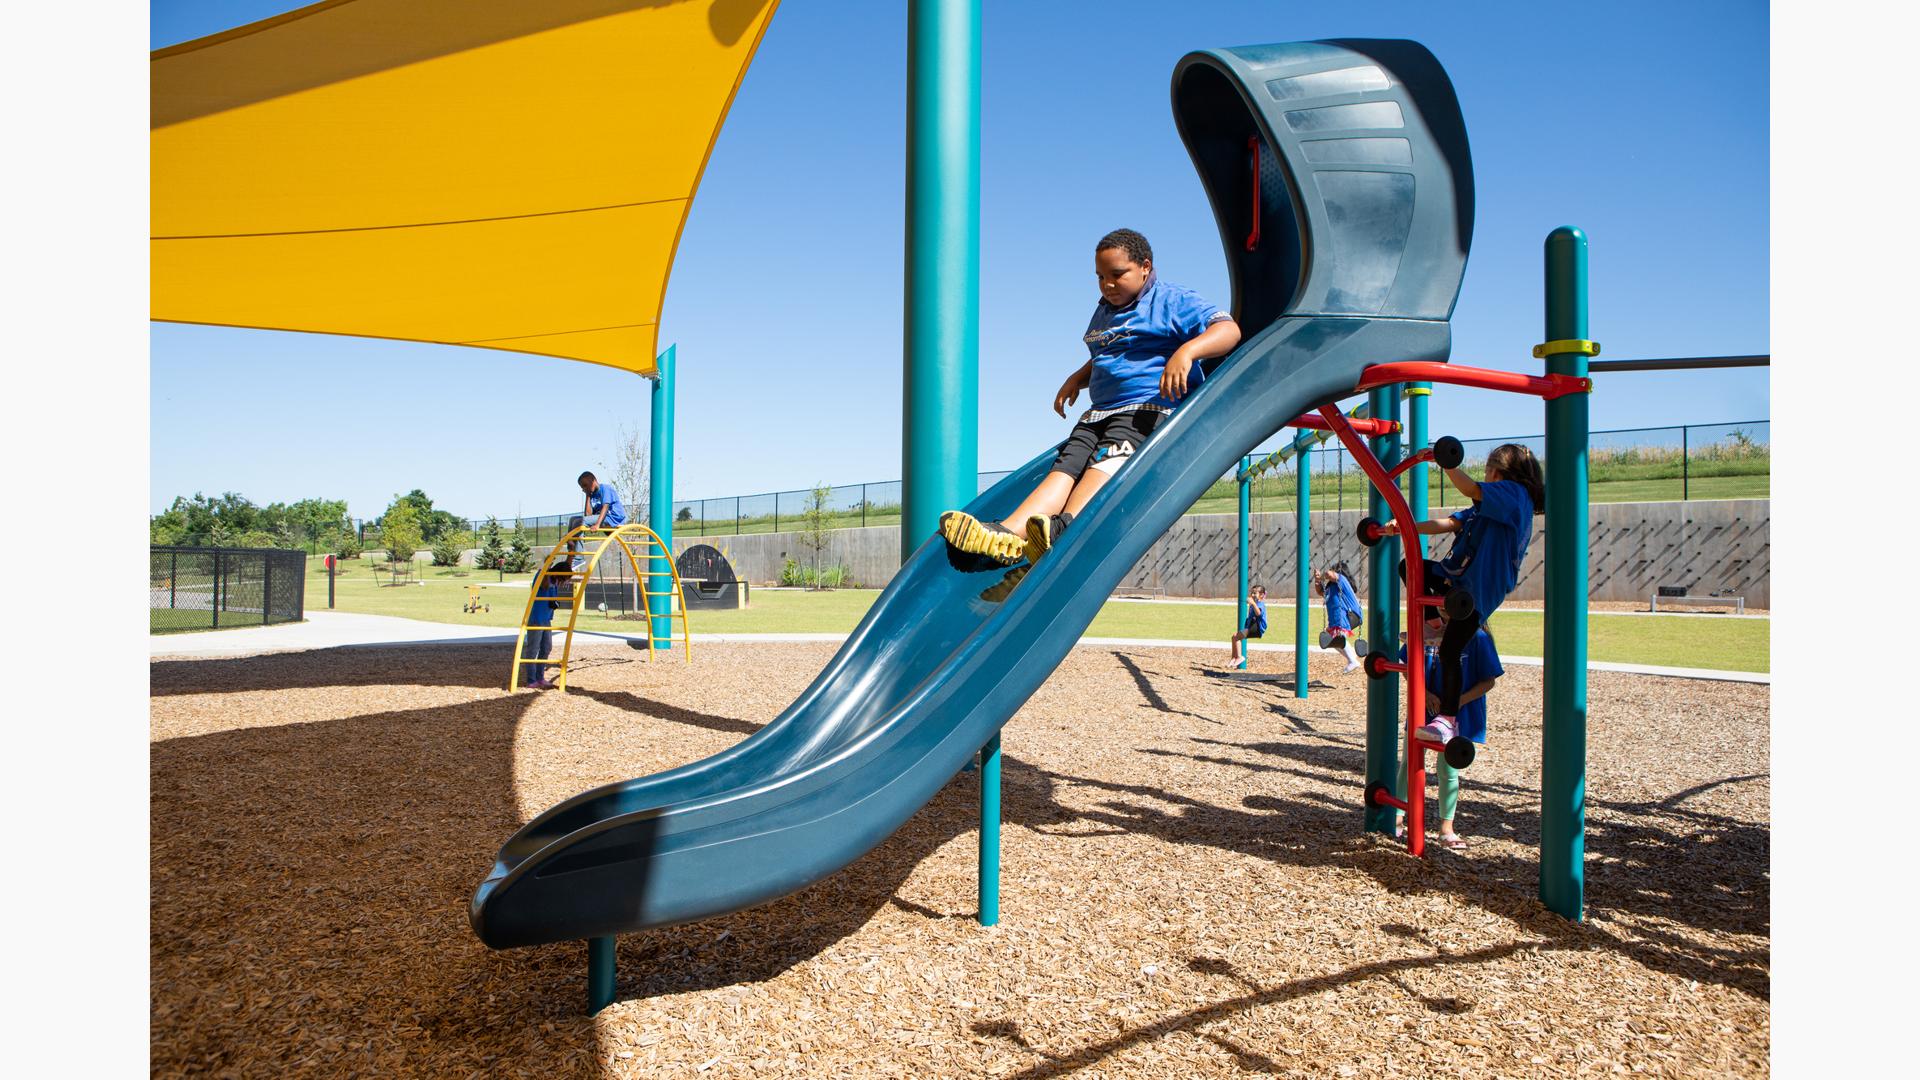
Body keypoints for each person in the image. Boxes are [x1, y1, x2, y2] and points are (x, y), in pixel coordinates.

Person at [939, 229, 1241, 581]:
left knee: (1103, 465)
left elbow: (1228, 331)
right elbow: (1106, 353)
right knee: (1065, 469)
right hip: (1098, 413)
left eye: (1117, 275)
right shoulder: (1105, 311)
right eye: (1100, 277)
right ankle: (1009, 535)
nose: (1107, 284)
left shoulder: (1171, 300)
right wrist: (1077, 378)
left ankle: (1063, 530)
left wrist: (1186, 351)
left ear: (1145, 267)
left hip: (1146, 410)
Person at [1378, 443, 1542, 736]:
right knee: (1411, 568)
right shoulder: (1485, 508)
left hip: (1478, 589)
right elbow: (1448, 523)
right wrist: (1405, 527)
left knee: (1451, 652)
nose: (1485, 475)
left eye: (1489, 469)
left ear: (1499, 472)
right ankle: (1434, 622)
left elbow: (1470, 489)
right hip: (1456, 579)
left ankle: (1448, 720)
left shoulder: (1514, 495)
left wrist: (1448, 464)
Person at [1397, 608, 1503, 850]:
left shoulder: (1477, 638)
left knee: (1449, 770)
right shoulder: (1426, 631)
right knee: (1410, 762)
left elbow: (1488, 680)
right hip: (1424, 708)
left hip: (1458, 714)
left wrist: (1456, 703)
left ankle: (1446, 828)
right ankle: (1398, 816)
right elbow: (1408, 669)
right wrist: (1423, 694)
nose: (1443, 609)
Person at [519, 557, 570, 689]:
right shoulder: (543, 576)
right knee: (533, 649)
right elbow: (545, 585)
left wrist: (571, 552)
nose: (563, 582)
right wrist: (548, 564)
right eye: (563, 579)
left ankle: (540, 677)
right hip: (536, 618)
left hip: (546, 619)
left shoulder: (555, 579)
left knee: (546, 647)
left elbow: (566, 567)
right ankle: (531, 680)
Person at [1318, 563, 1364, 672]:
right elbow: (1320, 591)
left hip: (1345, 616)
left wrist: (1322, 576)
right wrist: (1317, 580)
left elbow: (1329, 574)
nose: (1330, 571)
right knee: (1332, 640)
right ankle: (1352, 657)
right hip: (1336, 619)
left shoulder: (1342, 580)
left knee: (1336, 636)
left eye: (1332, 569)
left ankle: (1353, 660)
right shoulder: (1331, 588)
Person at [1228, 584, 1267, 666]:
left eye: (1255, 593)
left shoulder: (1260, 604)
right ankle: (1233, 657)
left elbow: (1259, 613)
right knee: (1234, 637)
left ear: (1261, 595)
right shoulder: (1255, 603)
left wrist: (1252, 603)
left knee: (1237, 637)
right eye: (1251, 593)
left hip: (1257, 628)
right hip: (1252, 627)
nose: (1252, 595)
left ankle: (1239, 657)